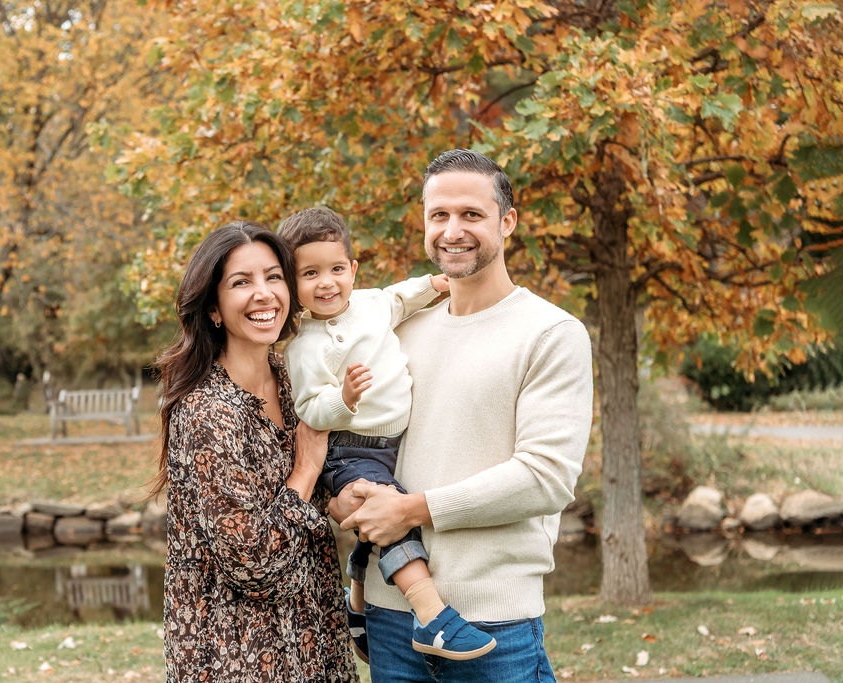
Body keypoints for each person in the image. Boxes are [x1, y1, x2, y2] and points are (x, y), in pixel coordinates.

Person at [337, 149, 595, 682]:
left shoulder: (551, 334)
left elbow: (544, 478)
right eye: (439, 215)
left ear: (507, 222)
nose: (452, 230)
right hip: (392, 616)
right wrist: (345, 494)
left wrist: (411, 510)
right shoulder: (401, 330)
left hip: (495, 621)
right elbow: (360, 438)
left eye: (471, 215)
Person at [277, 207, 497, 663]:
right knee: (392, 516)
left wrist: (432, 286)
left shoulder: (370, 303)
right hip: (352, 450)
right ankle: (431, 617)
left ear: (352, 269)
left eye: (337, 269)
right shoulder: (306, 346)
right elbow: (309, 408)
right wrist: (343, 398)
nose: (326, 283)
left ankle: (356, 602)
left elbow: (399, 298)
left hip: (394, 443)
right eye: (310, 273)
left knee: (378, 520)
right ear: (292, 284)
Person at [148, 221, 358, 682]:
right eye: (242, 282)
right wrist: (304, 471)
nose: (264, 294)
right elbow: (255, 566)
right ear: (214, 309)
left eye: (274, 276)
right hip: (236, 656)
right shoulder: (206, 411)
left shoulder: (294, 381)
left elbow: (314, 507)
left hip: (314, 646)